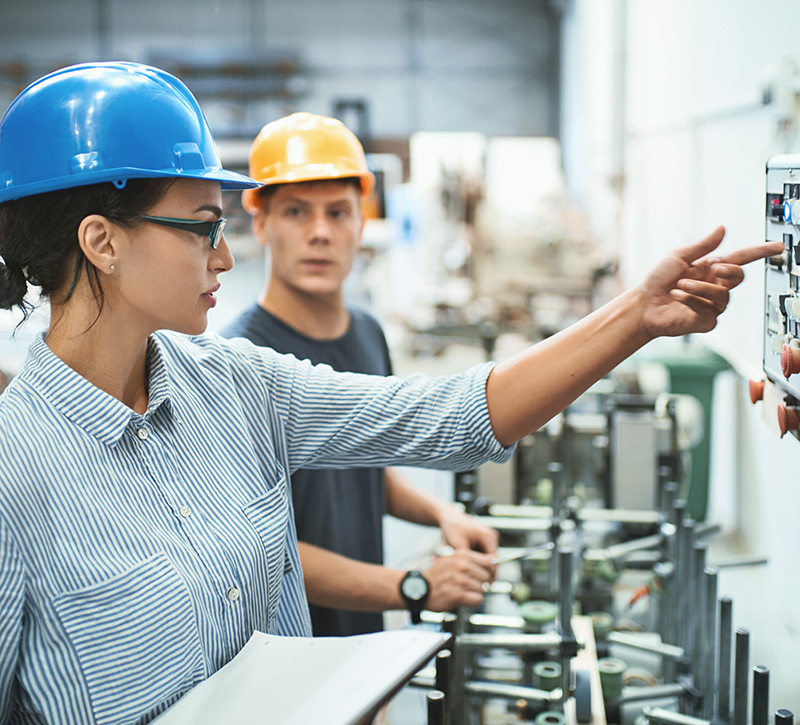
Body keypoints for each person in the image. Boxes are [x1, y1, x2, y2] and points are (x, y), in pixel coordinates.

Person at [0, 61, 780, 725]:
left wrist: (635, 316)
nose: (224, 256)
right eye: (203, 227)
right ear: (102, 240)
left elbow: (448, 417)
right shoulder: (15, 472)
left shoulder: (234, 388)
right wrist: (406, 583)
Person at [222, 112, 499, 637]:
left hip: (364, 642)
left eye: (338, 212)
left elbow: (365, 469)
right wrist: (409, 585)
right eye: (296, 212)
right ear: (260, 223)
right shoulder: (235, 360)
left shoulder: (369, 334)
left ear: (361, 223)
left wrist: (442, 514)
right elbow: (250, 550)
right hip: (287, 657)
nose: (320, 233)